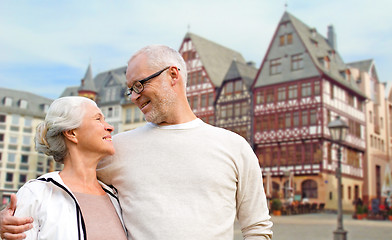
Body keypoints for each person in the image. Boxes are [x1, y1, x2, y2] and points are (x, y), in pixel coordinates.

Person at [1, 45, 273, 239]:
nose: (133, 96)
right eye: (129, 89)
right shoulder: (114, 148)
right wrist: (5, 223)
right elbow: (65, 184)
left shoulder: (234, 147)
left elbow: (257, 228)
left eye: (139, 85)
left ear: (173, 76)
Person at [0, 96, 127, 240]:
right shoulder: (36, 194)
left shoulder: (116, 197)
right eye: (98, 119)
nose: (110, 127)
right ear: (71, 133)